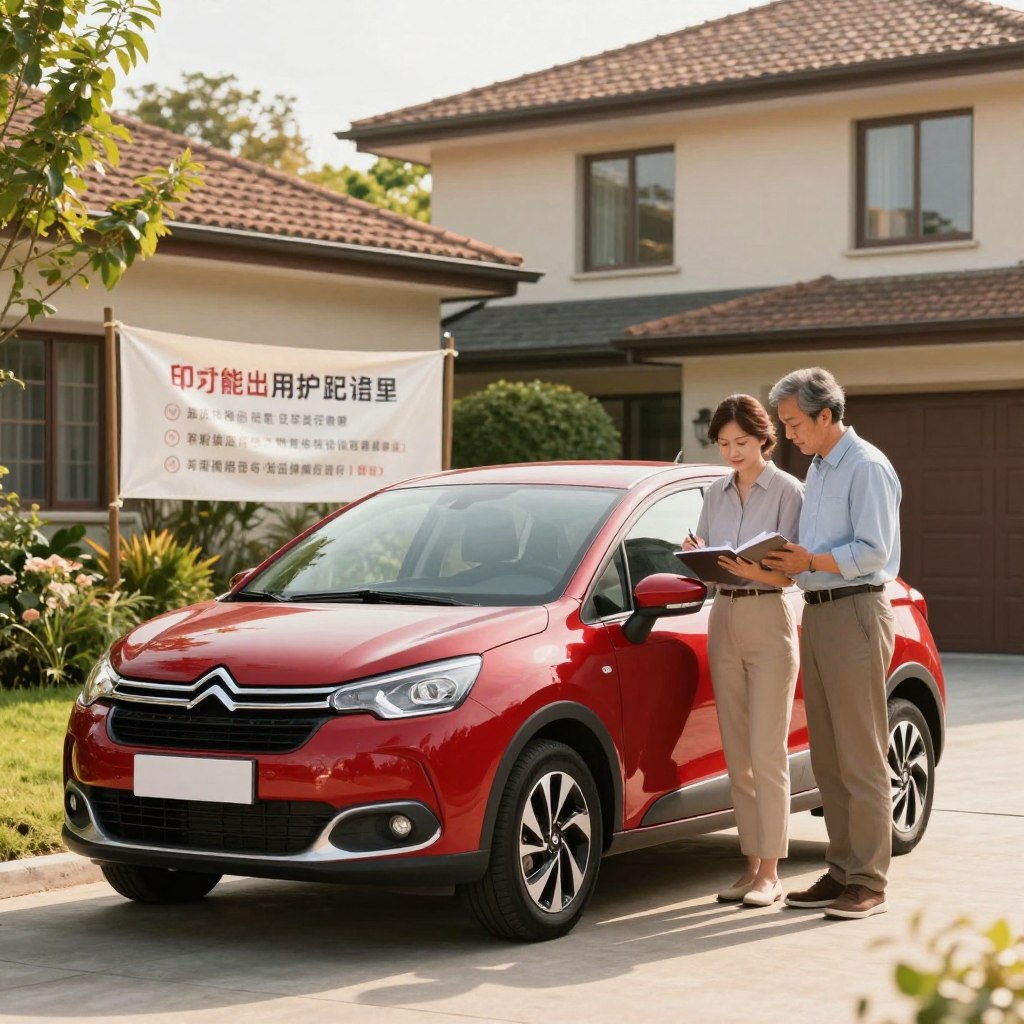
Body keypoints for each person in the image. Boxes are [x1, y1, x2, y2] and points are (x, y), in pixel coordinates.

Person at [763, 367, 901, 921]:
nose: (788, 434)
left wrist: (811, 560)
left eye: (794, 422)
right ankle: (842, 870)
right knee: (829, 754)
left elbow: (874, 550)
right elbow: (811, 554)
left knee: (862, 754)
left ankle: (869, 881)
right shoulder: (819, 468)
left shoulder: (866, 466)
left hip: (857, 613)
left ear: (825, 415)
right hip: (818, 613)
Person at [682, 394, 803, 907]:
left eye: (742, 442)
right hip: (723, 616)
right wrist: (696, 556)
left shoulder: (789, 491)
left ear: (763, 439)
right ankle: (750, 865)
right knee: (736, 752)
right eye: (724, 443)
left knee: (766, 750)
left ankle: (771, 873)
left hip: (769, 617)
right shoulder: (715, 492)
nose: (732, 452)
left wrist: (755, 571)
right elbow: (712, 561)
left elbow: (794, 572)